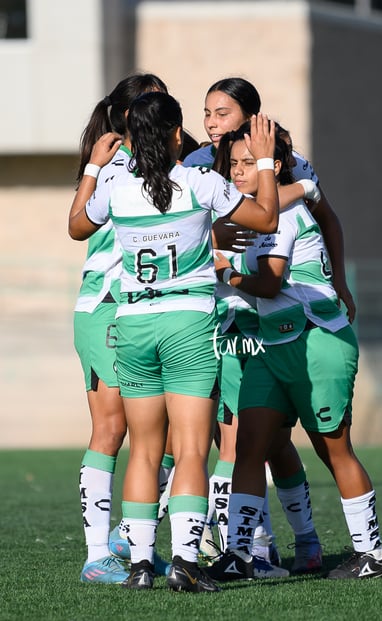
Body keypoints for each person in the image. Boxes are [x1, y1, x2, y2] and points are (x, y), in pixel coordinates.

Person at [68, 92, 280, 592]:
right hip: (187, 323)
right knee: (188, 450)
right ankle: (185, 560)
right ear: (176, 135)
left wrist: (94, 170)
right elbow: (266, 218)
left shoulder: (117, 190)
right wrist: (267, 161)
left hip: (134, 324)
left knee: (142, 449)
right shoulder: (199, 181)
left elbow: (78, 226)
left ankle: (141, 563)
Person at [206, 121, 382, 582]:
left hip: (316, 340)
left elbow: (267, 284)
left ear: (274, 163)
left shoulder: (280, 209)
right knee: (249, 446)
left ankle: (372, 554)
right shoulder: (256, 207)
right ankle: (242, 554)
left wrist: (225, 273)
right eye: (234, 165)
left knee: (334, 450)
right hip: (272, 342)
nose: (240, 173)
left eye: (250, 163)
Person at [183, 77, 327, 574]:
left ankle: (292, 541)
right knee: (244, 439)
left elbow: (316, 212)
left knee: (268, 441)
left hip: (270, 317)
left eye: (221, 113)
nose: (210, 122)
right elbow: (209, 222)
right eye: (207, 113)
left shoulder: (287, 161)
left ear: (250, 117)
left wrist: (299, 188)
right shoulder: (199, 165)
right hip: (225, 316)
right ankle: (253, 545)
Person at [73, 73, 175, 585]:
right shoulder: (114, 164)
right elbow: (78, 227)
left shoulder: (169, 159)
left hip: (151, 310)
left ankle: (129, 539)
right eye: (155, 97)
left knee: (176, 431)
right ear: (133, 112)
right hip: (108, 306)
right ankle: (98, 555)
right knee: (114, 429)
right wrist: (94, 165)